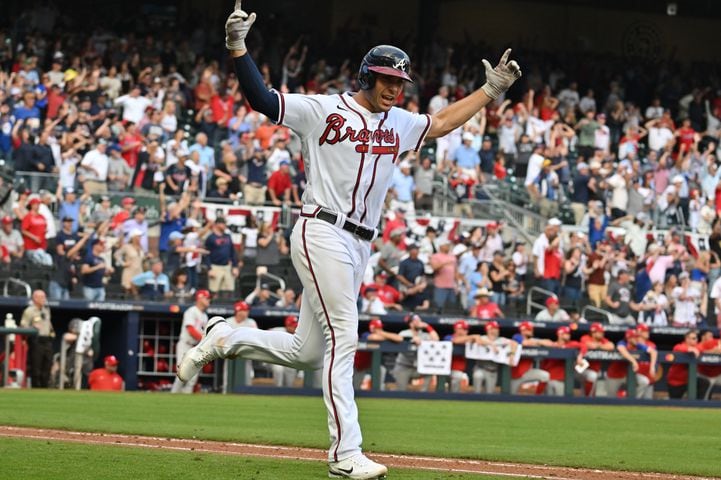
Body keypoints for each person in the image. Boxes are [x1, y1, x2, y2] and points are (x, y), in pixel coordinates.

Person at [177, 4, 521, 478]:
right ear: (365, 76)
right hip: (321, 229)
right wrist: (238, 48)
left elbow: (439, 123)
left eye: (400, 82)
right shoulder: (323, 109)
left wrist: (490, 90)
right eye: (385, 79)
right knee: (345, 332)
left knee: (308, 352)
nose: (394, 89)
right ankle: (345, 453)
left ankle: (224, 338)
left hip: (360, 244)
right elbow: (264, 100)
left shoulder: (399, 121)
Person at [171, 290, 211, 394]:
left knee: (192, 378)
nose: (209, 300)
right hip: (186, 345)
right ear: (200, 298)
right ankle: (172, 397)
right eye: (206, 298)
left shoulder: (205, 316)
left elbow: (204, 333)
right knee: (182, 374)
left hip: (197, 347)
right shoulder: (191, 311)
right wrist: (205, 340)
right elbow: (191, 329)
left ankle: (185, 402)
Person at [392, 314, 439, 392]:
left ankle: (424, 395)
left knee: (431, 370)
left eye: (419, 320)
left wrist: (427, 326)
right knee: (401, 392)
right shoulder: (404, 333)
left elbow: (436, 339)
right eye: (416, 321)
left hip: (419, 367)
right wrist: (412, 339)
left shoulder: (425, 335)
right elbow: (400, 339)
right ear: (411, 323)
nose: (419, 322)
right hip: (403, 367)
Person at [605, 328, 657, 399]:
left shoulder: (638, 345)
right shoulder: (622, 343)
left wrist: (652, 367)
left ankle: (634, 400)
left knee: (644, 381)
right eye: (634, 337)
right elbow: (621, 349)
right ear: (629, 338)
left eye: (637, 337)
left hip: (628, 376)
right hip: (615, 375)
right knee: (611, 398)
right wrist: (633, 361)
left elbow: (653, 352)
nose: (637, 339)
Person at [354, 318, 403, 391]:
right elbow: (374, 338)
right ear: (372, 328)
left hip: (371, 365)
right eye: (378, 328)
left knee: (381, 369)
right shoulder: (365, 334)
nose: (381, 330)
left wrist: (381, 333)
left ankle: (379, 392)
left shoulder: (382, 334)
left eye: (381, 328)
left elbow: (399, 338)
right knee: (356, 387)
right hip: (359, 365)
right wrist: (387, 336)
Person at [21, 289, 55, 388]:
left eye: (44, 297)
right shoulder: (29, 311)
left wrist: (52, 332)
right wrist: (32, 327)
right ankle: (36, 388)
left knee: (47, 365)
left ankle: (45, 388)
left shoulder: (46, 309)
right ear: (35, 298)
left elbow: (48, 323)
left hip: (47, 340)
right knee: (36, 367)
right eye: (42, 297)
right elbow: (23, 326)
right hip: (36, 340)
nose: (44, 299)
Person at [472, 320, 517, 394]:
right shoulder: (483, 338)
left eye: (496, 329)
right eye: (493, 328)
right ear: (488, 329)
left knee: (490, 393)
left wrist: (512, 355)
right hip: (480, 368)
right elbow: (478, 341)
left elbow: (514, 343)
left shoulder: (501, 340)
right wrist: (491, 344)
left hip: (493, 370)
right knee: (477, 379)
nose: (496, 330)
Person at [510, 321, 552, 394]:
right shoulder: (516, 336)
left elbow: (549, 343)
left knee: (545, 375)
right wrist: (538, 342)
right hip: (514, 375)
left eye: (531, 329)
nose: (531, 331)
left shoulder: (534, 340)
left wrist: (539, 342)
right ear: (523, 330)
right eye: (529, 329)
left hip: (526, 372)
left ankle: (538, 396)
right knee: (510, 396)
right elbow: (524, 343)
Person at [666, 330, 709, 400]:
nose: (696, 340)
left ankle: (698, 404)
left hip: (689, 380)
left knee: (704, 382)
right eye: (693, 338)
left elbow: (702, 348)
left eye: (696, 338)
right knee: (675, 402)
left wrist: (695, 349)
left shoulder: (697, 347)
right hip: (676, 381)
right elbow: (677, 348)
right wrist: (689, 349)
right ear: (687, 339)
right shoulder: (679, 346)